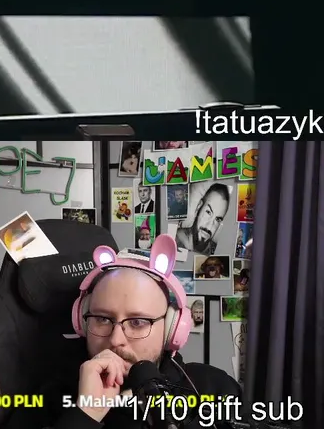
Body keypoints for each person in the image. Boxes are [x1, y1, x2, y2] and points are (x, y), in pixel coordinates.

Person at [38, 238, 239, 429]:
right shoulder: (50, 399)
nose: (116, 340)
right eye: (102, 319)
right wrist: (86, 414)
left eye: (137, 322)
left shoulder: (214, 388)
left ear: (172, 328)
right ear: (81, 321)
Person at [175, 182, 230, 254]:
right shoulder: (172, 237)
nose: (209, 226)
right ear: (199, 207)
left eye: (218, 219)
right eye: (208, 212)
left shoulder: (218, 251)